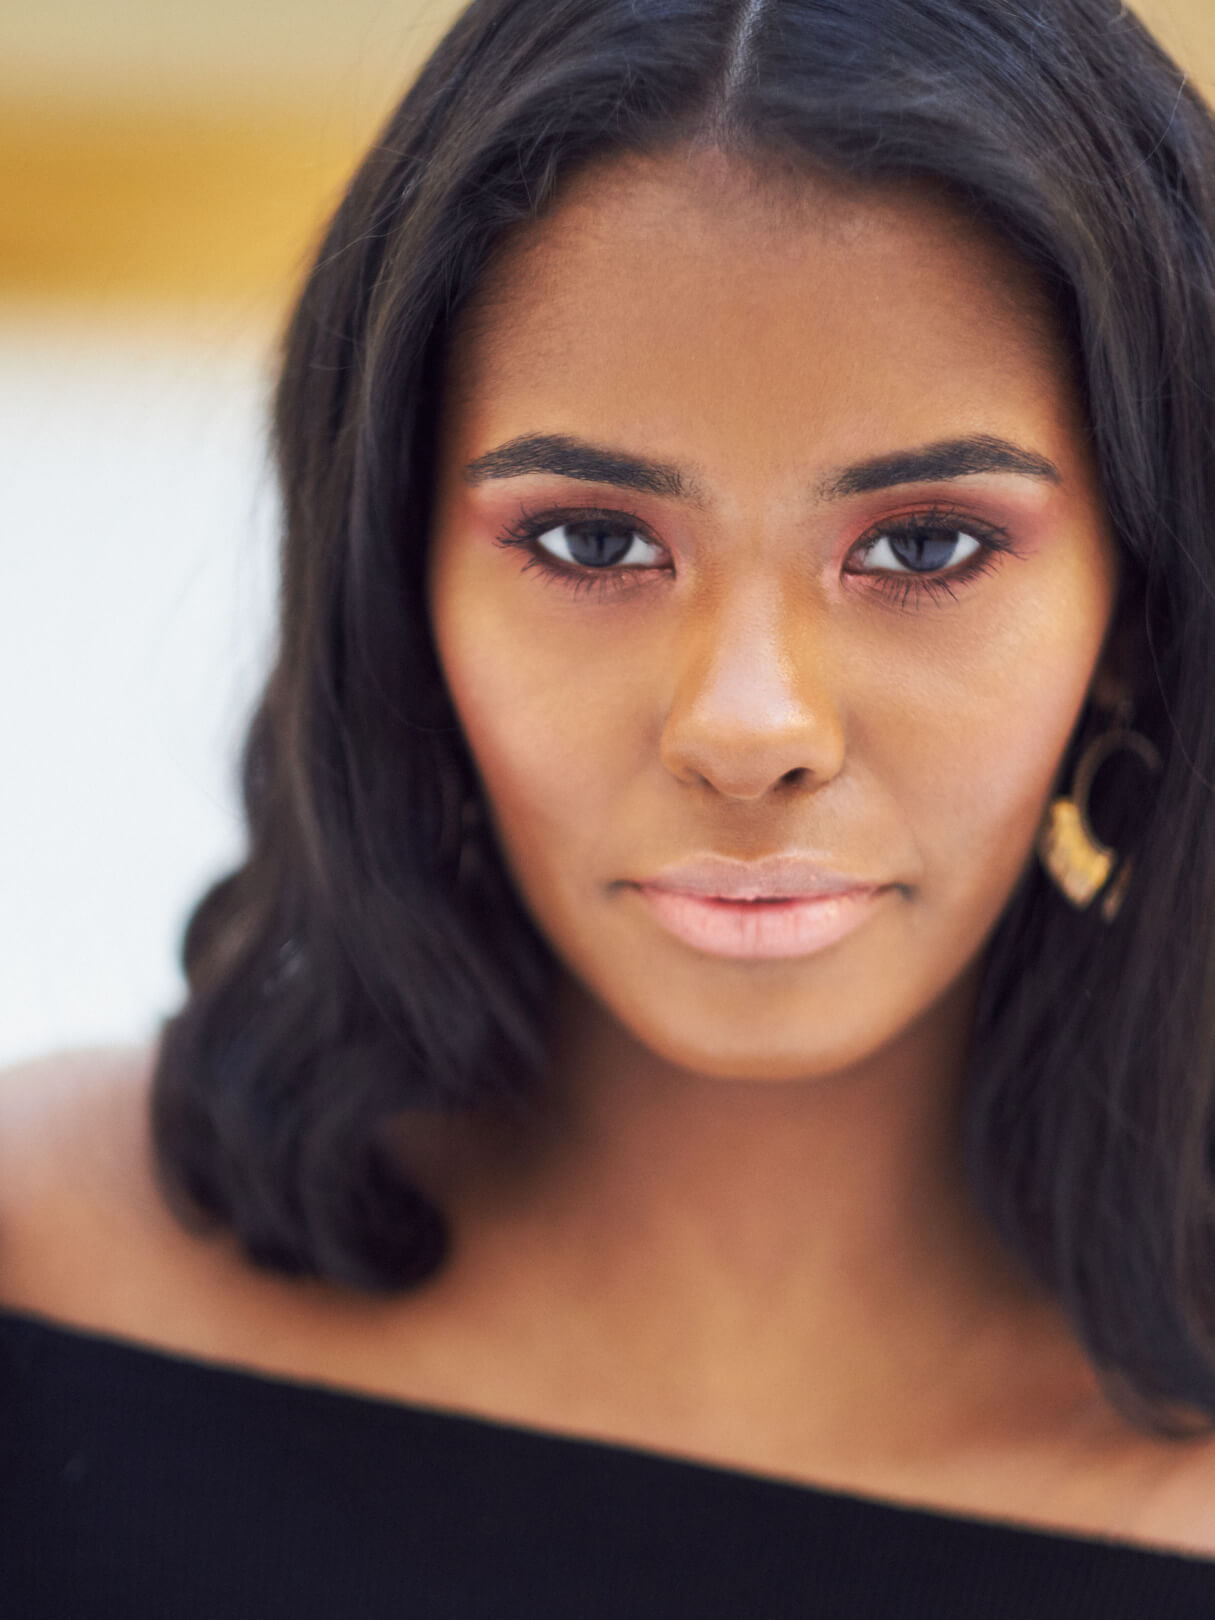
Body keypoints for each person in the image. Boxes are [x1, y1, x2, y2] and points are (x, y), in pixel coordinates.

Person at [4, 0, 1215, 1612]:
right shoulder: (44, 1274)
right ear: (396, 583)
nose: (748, 729)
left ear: (1141, 614)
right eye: (591, 543)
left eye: (923, 548)